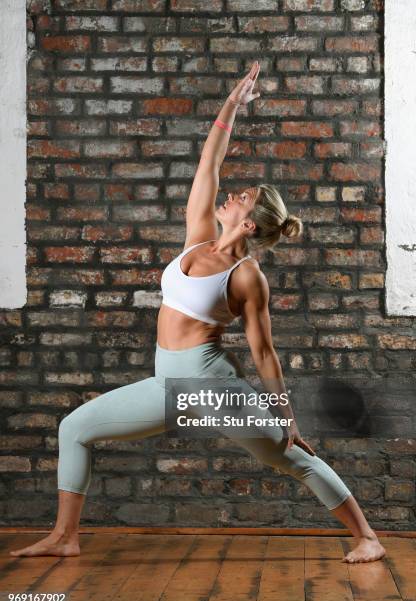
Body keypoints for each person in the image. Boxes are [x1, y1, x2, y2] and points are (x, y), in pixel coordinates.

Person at [10, 61, 385, 563]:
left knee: (291, 455)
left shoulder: (247, 276)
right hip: (169, 388)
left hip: (211, 389)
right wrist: (233, 104)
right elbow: (208, 165)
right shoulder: (197, 238)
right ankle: (65, 536)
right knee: (74, 428)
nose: (230, 195)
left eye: (242, 198)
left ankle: (368, 538)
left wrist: (286, 413)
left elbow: (264, 351)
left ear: (249, 224)